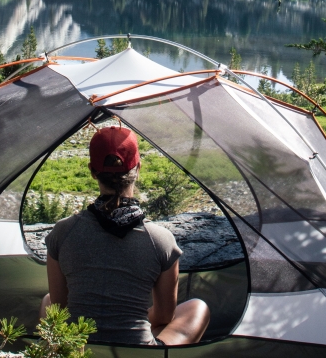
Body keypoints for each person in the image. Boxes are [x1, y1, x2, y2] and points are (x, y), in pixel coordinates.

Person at [41, 125, 210, 346]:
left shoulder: (62, 232)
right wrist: (127, 321)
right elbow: (164, 317)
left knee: (47, 301)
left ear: (92, 171)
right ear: (138, 168)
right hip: (138, 354)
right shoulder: (161, 240)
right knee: (198, 308)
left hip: (75, 352)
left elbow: (59, 310)